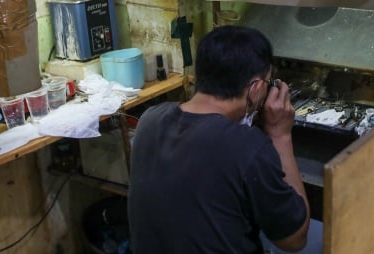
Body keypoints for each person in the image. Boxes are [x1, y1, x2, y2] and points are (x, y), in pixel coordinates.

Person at [128, 25, 310, 253]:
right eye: (268, 84)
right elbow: (294, 239)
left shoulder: (150, 120)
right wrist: (280, 135)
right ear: (255, 89)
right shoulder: (248, 147)